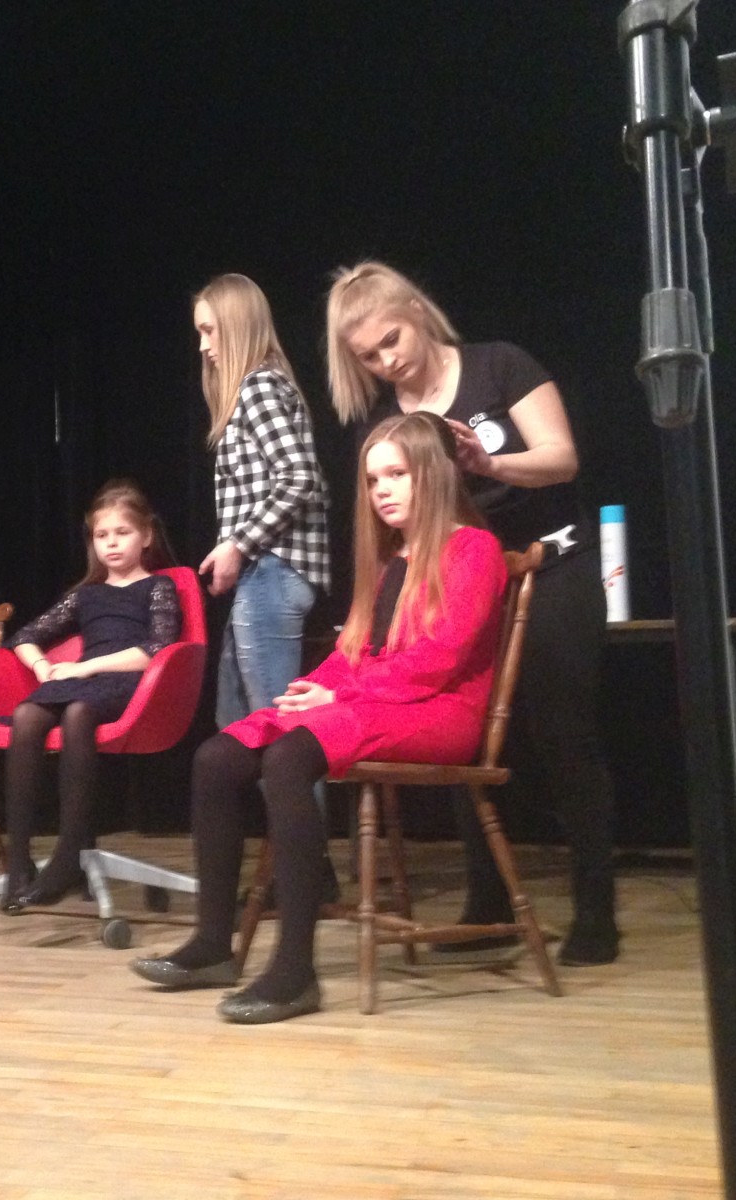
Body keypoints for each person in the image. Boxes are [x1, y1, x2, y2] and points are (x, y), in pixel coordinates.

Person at [129, 413, 506, 1023]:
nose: (381, 490)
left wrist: (337, 698)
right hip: (379, 700)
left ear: (433, 473)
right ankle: (212, 946)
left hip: (440, 711)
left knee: (288, 758)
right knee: (217, 756)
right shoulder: (393, 559)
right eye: (373, 479)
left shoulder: (474, 548)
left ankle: (294, 972)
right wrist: (313, 689)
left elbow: (441, 659)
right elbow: (354, 650)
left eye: (396, 474)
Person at [323, 260, 619, 967]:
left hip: (551, 566)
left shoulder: (498, 366)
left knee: (565, 735)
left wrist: (488, 466)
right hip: (462, 578)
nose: (386, 361)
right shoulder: (387, 420)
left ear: (416, 313)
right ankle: (488, 905)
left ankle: (596, 910)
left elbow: (562, 459)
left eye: (391, 341)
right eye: (368, 356)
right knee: (462, 723)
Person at [0, 481, 182, 913]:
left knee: (79, 713)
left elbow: (157, 648)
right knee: (27, 715)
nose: (111, 543)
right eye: (102, 535)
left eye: (122, 532)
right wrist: (42, 667)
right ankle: (18, 861)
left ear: (146, 536)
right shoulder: (86, 594)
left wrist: (86, 667)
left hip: (127, 682)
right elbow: (24, 637)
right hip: (80, 678)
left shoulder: (158, 587)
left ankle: (68, 856)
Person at [192, 273, 330, 731]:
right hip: (262, 573)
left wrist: (237, 545)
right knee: (237, 727)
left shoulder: (259, 386)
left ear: (236, 325)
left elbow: (299, 477)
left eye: (209, 330)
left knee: (275, 727)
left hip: (275, 570)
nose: (203, 346)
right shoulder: (255, 389)